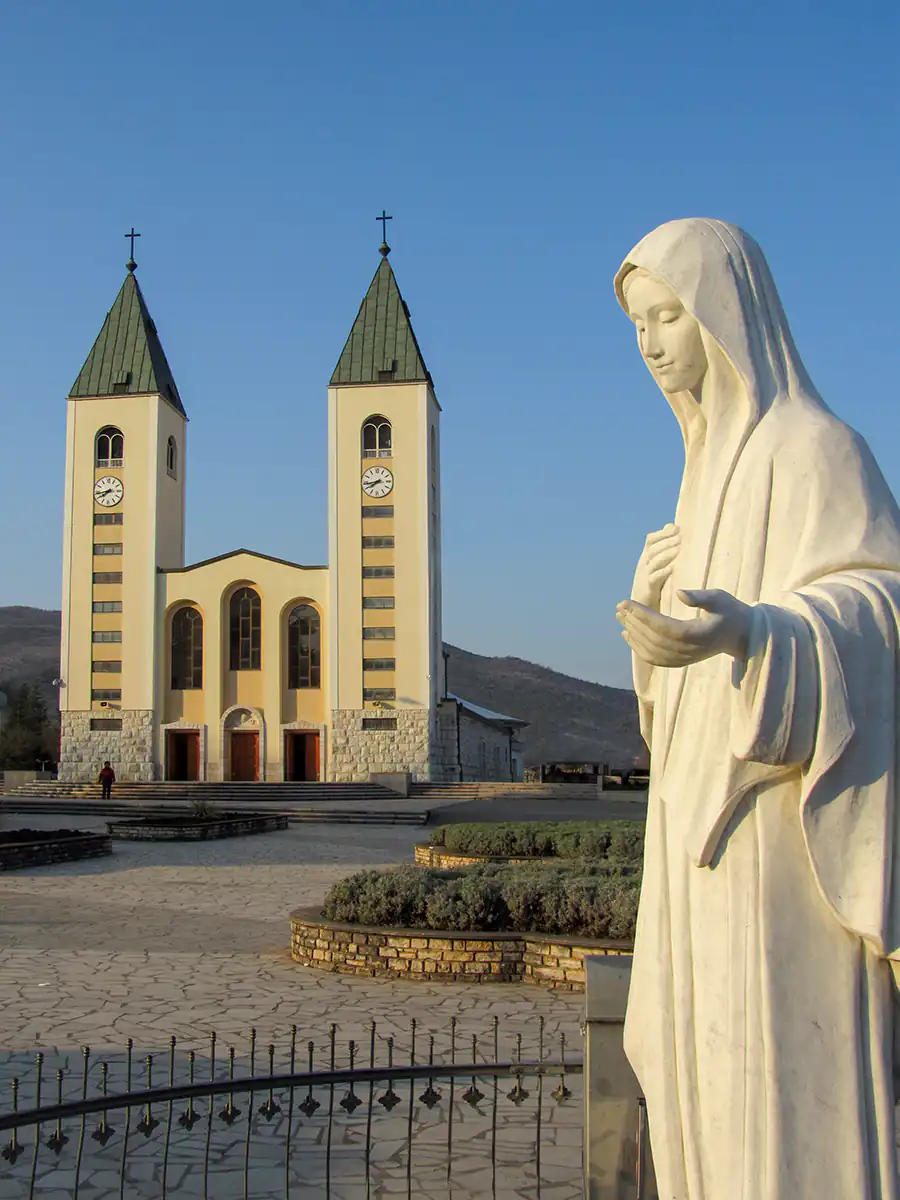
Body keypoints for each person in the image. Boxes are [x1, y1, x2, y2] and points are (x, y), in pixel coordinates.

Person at [614, 219, 900, 1198]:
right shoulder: (696, 481)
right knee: (704, 1095)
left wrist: (760, 637)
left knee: (780, 1103)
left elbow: (882, 610)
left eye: (667, 316)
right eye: (639, 325)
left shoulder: (817, 451)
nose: (651, 343)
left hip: (781, 847)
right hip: (696, 851)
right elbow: (676, 704)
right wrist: (654, 640)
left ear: (725, 316)